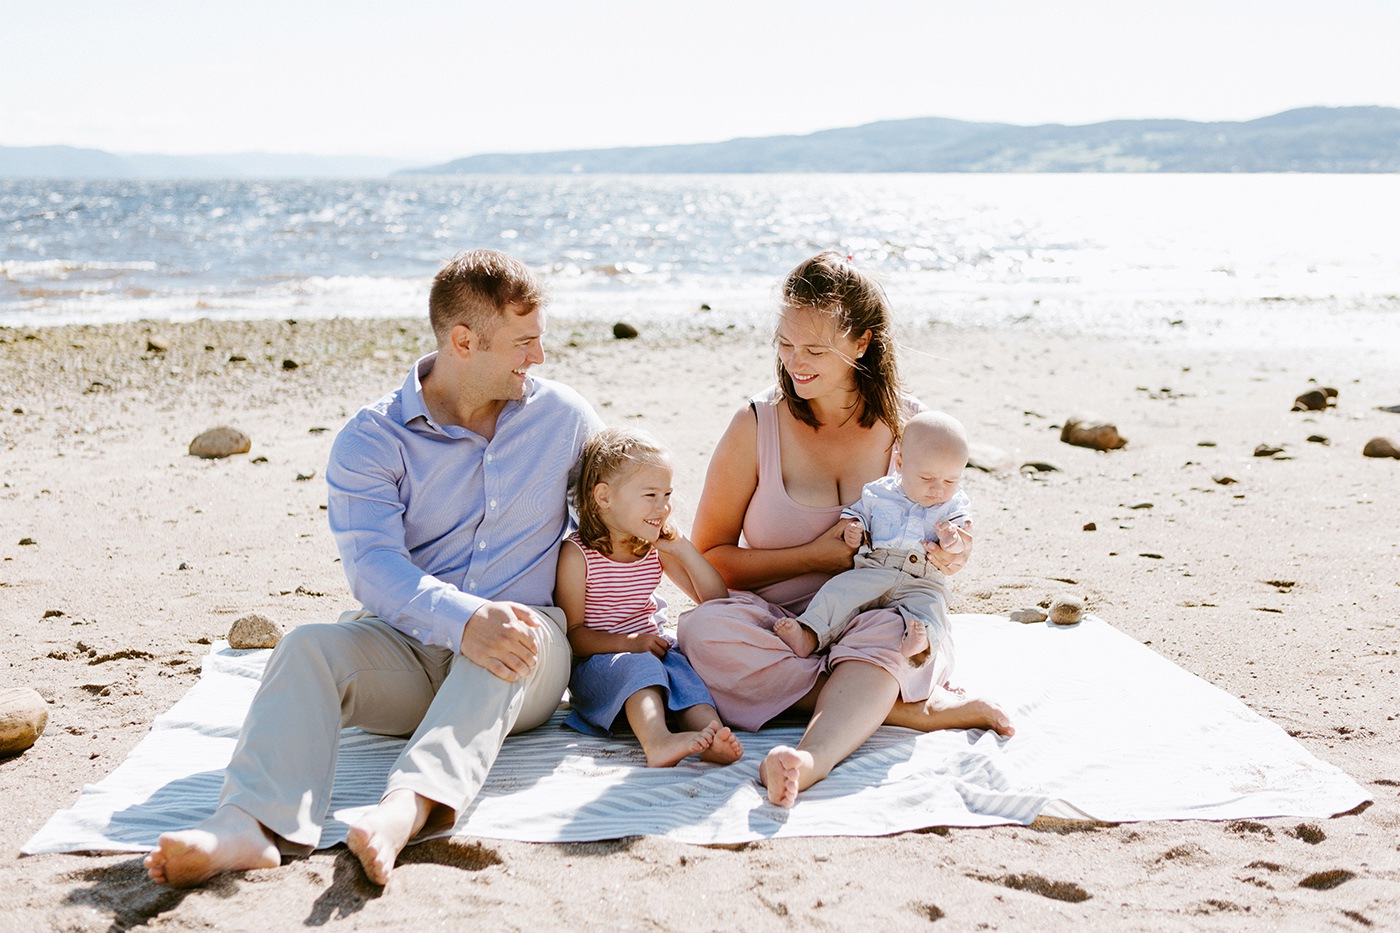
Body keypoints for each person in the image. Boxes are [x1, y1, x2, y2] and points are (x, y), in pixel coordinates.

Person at [145, 249, 602, 887]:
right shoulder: (372, 437)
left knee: (507, 634)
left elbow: (611, 539)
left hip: (530, 656)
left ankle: (405, 808)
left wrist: (646, 643)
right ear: (463, 340)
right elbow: (374, 567)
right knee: (308, 646)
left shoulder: (566, 420)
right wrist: (464, 617)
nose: (540, 358)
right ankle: (249, 824)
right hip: (408, 651)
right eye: (524, 342)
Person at [676, 251, 1013, 809]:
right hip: (777, 626)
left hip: (878, 621)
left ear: (862, 343)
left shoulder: (915, 429)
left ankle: (810, 759)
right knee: (701, 633)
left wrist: (952, 552)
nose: (794, 363)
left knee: (893, 638)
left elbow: (948, 522)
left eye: (814, 350)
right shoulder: (755, 425)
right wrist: (812, 557)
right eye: (785, 345)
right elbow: (707, 559)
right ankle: (896, 708)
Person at [555, 427, 744, 767]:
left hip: (649, 650)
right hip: (599, 665)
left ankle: (710, 735)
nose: (664, 507)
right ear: (604, 497)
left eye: (667, 494)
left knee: (684, 667)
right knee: (640, 665)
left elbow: (715, 600)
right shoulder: (577, 556)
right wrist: (632, 643)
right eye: (650, 496)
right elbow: (575, 638)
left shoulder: (652, 545)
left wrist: (682, 549)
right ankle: (657, 741)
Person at [774, 410, 973, 675]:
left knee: (932, 608)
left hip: (922, 579)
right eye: (927, 479)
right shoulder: (879, 492)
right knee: (839, 591)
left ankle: (921, 642)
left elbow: (963, 544)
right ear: (900, 464)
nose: (938, 489)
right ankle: (809, 634)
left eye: (950, 480)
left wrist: (953, 542)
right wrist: (853, 530)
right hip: (874, 568)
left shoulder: (955, 503)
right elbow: (855, 516)